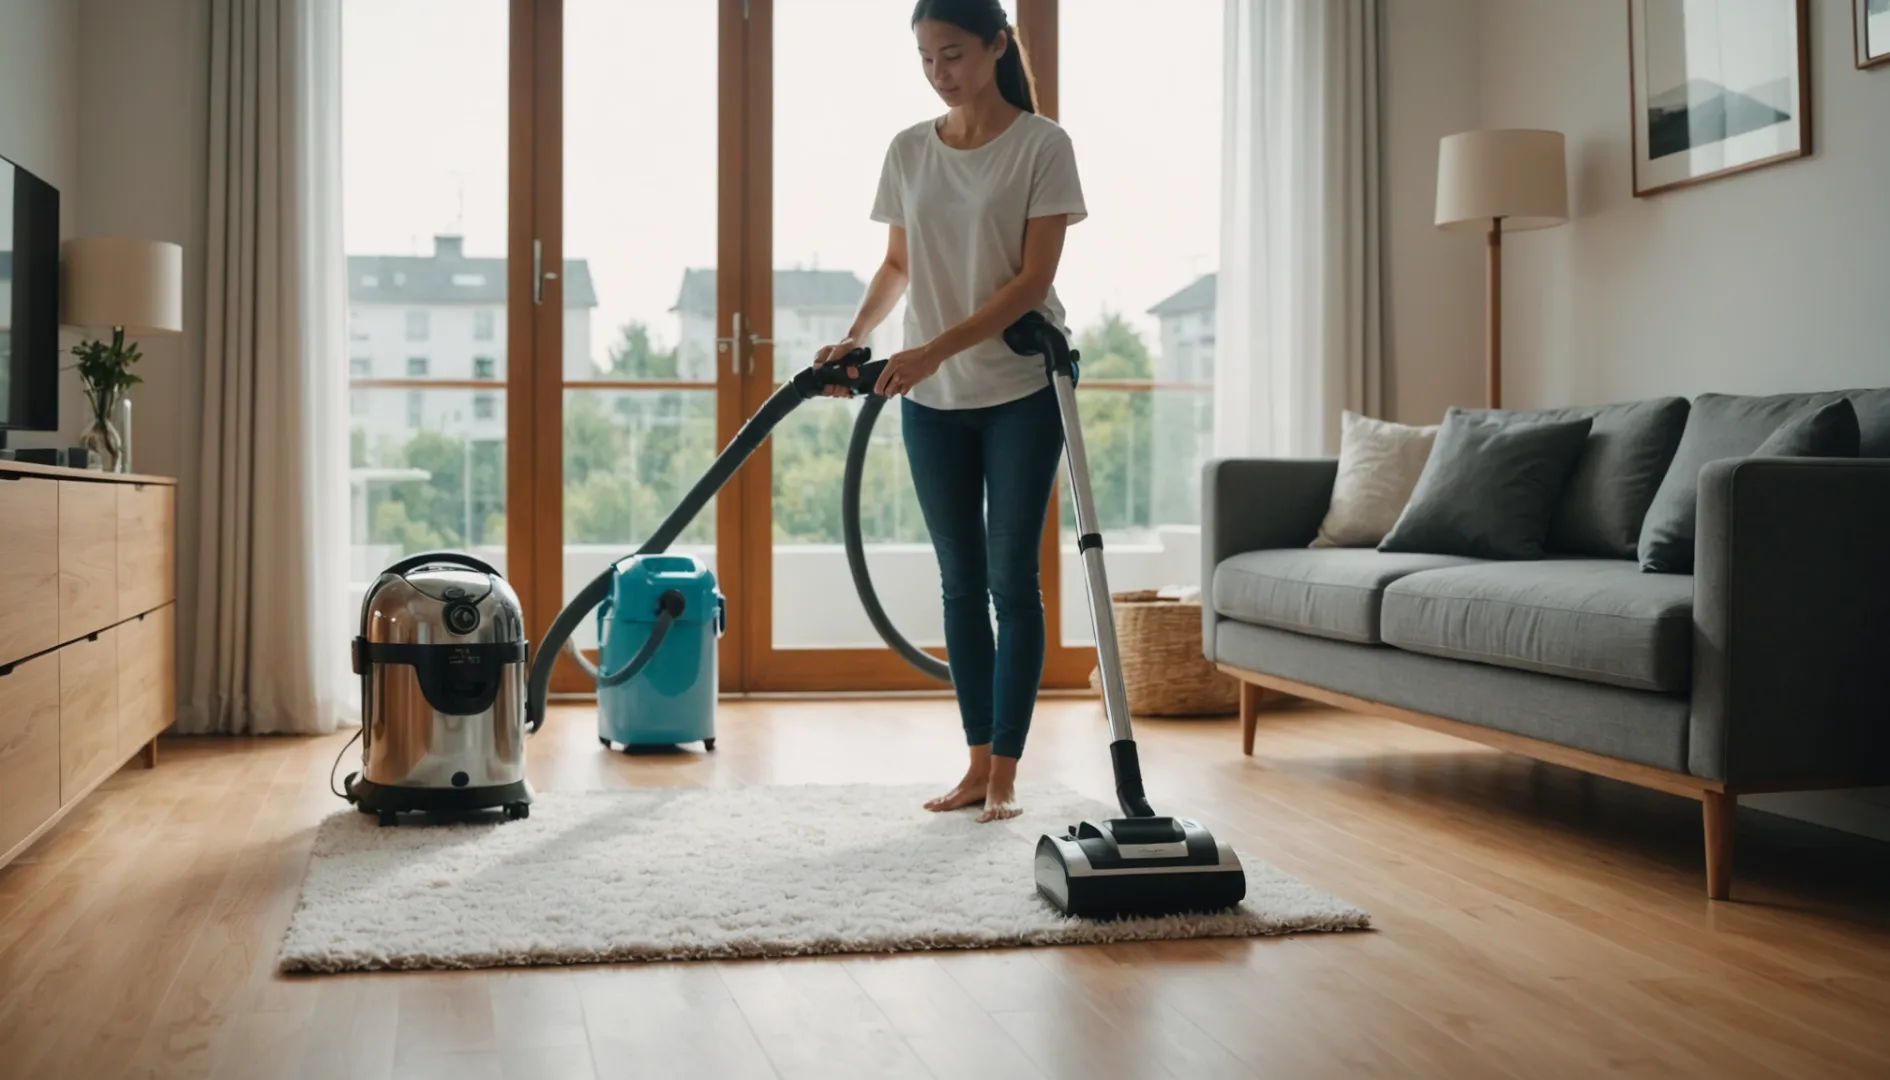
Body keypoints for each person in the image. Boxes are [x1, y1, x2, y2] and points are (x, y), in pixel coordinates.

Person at [816, 0, 1086, 823]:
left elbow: (1030, 282)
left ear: (998, 45)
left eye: (955, 54)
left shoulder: (1042, 147)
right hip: (929, 400)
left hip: (1020, 393)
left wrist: (936, 346)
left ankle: (1007, 771)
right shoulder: (908, 149)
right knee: (960, 585)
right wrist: (856, 336)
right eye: (927, 57)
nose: (940, 72)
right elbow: (898, 263)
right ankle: (974, 765)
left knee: (1014, 582)